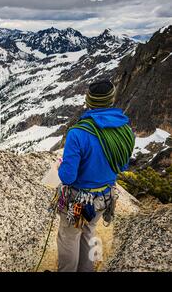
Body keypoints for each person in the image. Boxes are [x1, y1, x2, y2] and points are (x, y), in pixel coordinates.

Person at [56, 80, 135, 272]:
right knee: (89, 231)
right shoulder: (125, 131)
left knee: (69, 236)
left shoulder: (78, 133)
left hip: (79, 201)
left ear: (88, 100)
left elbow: (67, 177)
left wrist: (61, 166)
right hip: (105, 197)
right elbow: (121, 165)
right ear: (111, 100)